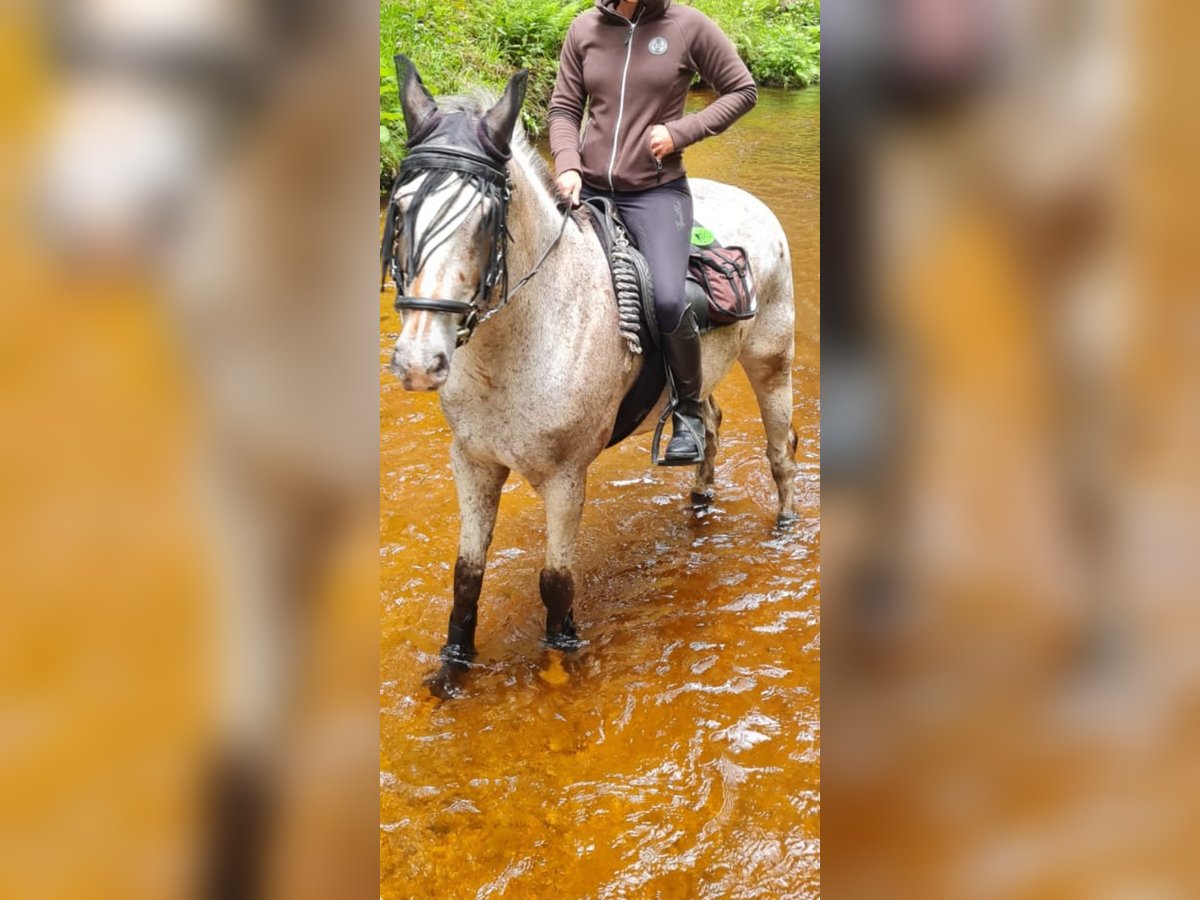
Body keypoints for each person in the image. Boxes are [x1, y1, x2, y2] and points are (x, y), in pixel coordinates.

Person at [549, 0, 757, 465]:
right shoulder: (584, 28)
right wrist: (567, 165)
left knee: (668, 297)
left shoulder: (687, 26)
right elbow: (564, 109)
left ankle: (688, 415)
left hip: (655, 194)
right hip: (589, 189)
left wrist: (683, 132)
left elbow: (742, 90)